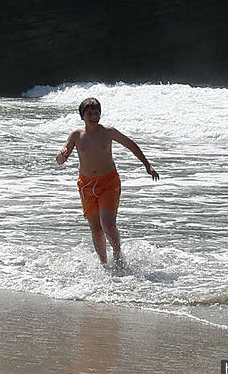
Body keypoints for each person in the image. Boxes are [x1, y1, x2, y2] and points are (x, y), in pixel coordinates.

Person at [56, 97, 159, 265]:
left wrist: (147, 165)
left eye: (96, 113)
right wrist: (62, 154)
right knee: (96, 229)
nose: (93, 116)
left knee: (108, 224)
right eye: (89, 113)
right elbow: (60, 160)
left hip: (109, 182)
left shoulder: (108, 132)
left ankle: (118, 255)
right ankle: (104, 263)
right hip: (86, 185)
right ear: (82, 116)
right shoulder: (76, 135)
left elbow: (130, 144)